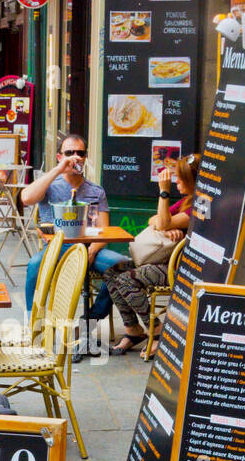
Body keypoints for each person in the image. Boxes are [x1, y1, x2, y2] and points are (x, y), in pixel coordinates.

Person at [20, 133, 123, 314]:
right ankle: (33, 322)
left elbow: (104, 231)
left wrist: (93, 249)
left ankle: (92, 318)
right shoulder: (50, 185)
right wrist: (59, 169)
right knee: (34, 265)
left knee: (122, 266)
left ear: (85, 157)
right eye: (69, 153)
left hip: (89, 248)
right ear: (59, 156)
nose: (75, 157)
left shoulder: (96, 191)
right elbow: (26, 198)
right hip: (57, 248)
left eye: (80, 153)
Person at [105, 156, 197, 355]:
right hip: (163, 262)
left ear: (191, 180)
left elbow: (163, 221)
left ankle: (156, 332)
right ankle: (133, 330)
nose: (176, 182)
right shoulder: (185, 201)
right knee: (112, 273)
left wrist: (163, 192)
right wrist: (166, 229)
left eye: (180, 179)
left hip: (181, 269)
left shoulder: (198, 207)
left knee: (126, 280)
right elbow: (153, 220)